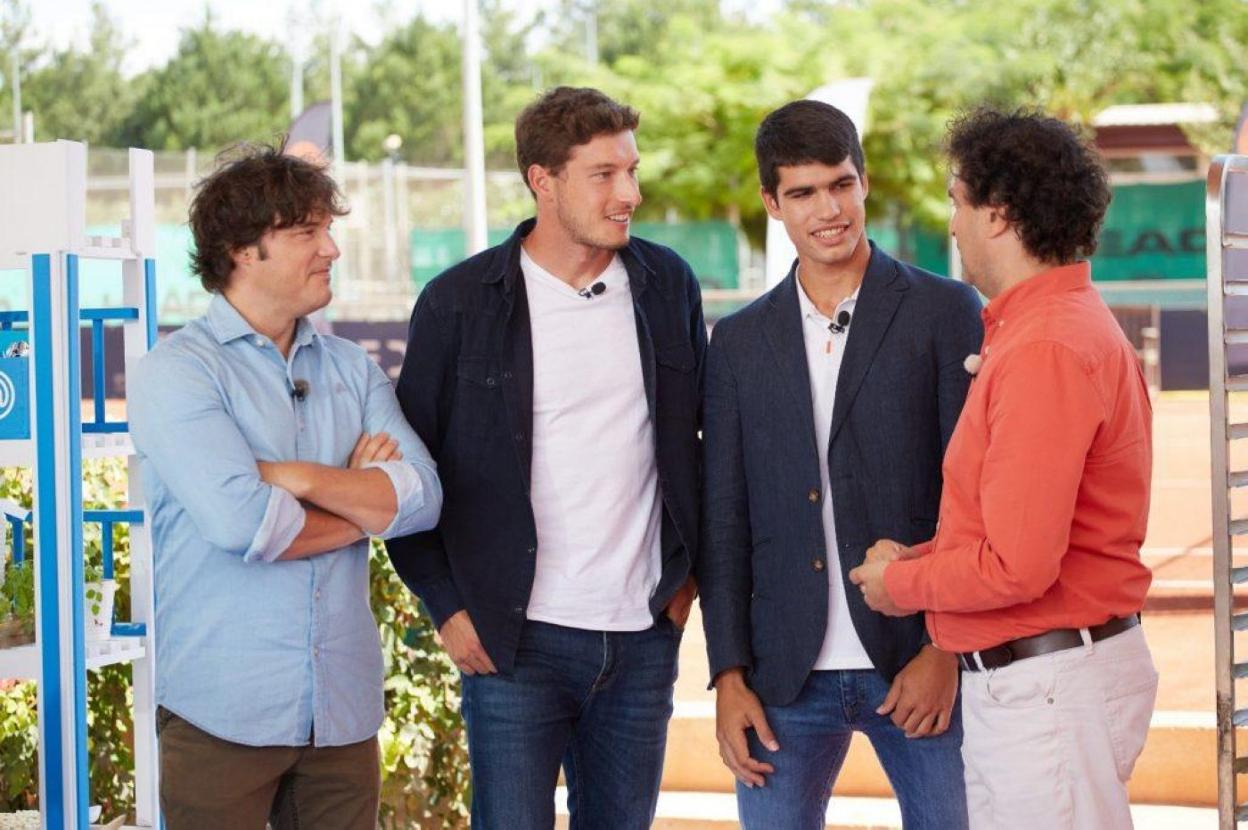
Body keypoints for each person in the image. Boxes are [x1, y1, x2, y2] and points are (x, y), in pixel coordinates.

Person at [385, 86, 705, 829]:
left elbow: (704, 446)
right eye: (604, 175)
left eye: (631, 170)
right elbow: (410, 474)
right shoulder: (458, 303)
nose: (629, 193)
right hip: (514, 641)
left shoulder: (667, 287)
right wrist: (446, 606)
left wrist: (687, 580)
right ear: (544, 181)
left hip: (642, 637)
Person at [850, 108, 1156, 829]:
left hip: (1047, 693)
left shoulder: (1045, 347)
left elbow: (1018, 566)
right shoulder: (1043, 330)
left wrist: (901, 584)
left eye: (957, 202)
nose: (952, 225)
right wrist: (922, 559)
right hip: (1039, 690)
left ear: (999, 214)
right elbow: (1007, 529)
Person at [129, 144, 442, 829]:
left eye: (328, 229)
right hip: (221, 714)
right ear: (242, 250)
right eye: (307, 232)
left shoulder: (352, 368)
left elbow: (421, 497)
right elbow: (243, 524)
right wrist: (361, 504)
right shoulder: (176, 372)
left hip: (342, 717)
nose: (332, 249)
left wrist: (294, 478)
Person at [698, 99, 981, 829]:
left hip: (917, 664)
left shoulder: (947, 311)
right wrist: (728, 674)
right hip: (780, 681)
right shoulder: (737, 342)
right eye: (803, 193)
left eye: (840, 184)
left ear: (864, 181)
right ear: (772, 203)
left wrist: (945, 650)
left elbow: (972, 495)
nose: (828, 210)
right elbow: (724, 520)